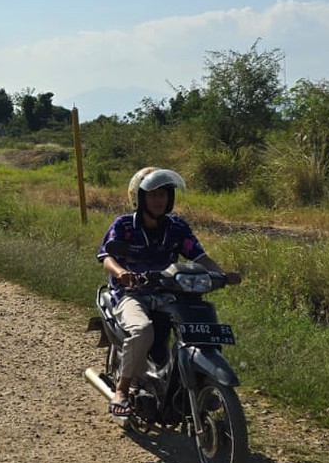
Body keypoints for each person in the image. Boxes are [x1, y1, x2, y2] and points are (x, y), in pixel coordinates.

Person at [97, 167, 231, 418]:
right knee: (143, 330)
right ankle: (122, 390)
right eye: (153, 195)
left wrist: (221, 275)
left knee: (199, 327)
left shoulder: (177, 227)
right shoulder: (124, 225)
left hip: (169, 293)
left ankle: (200, 385)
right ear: (139, 197)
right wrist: (121, 273)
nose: (159, 200)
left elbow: (199, 256)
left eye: (164, 195)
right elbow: (107, 257)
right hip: (131, 293)